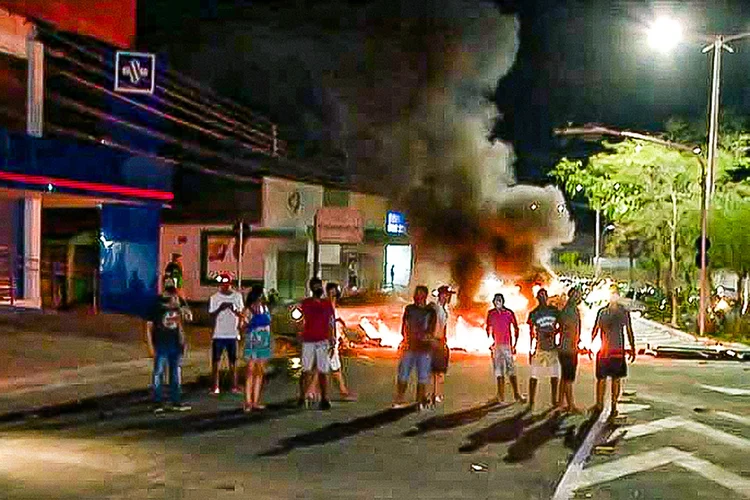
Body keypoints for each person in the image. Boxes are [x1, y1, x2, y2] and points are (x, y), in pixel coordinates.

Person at [146, 279, 192, 413]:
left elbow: (187, 318)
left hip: (175, 342)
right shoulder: (156, 303)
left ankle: (176, 401)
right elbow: (149, 326)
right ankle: (157, 402)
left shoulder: (178, 301)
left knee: (175, 373)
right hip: (161, 342)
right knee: (158, 373)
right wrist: (150, 345)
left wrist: (181, 304)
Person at [306, 282, 357, 402]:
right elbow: (328, 322)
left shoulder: (329, 303)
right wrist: (332, 338)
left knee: (335, 368)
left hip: (329, 339)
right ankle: (311, 391)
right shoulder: (326, 304)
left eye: (334, 293)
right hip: (328, 339)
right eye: (331, 293)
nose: (332, 295)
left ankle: (343, 392)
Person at [591, 285, 636, 418]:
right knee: (611, 379)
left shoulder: (604, 312)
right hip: (614, 351)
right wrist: (632, 348)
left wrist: (590, 344)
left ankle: (604, 405)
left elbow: (595, 330)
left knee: (604, 379)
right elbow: (628, 330)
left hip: (607, 351)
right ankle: (610, 406)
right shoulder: (620, 312)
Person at [393, 285, 436, 410]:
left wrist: (428, 338)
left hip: (424, 349)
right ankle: (399, 398)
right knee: (403, 374)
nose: (417, 296)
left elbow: (431, 329)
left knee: (422, 376)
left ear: (425, 296)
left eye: (420, 294)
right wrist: (406, 339)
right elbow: (405, 325)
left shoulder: (430, 311)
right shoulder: (409, 309)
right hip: (409, 347)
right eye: (416, 294)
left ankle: (419, 401)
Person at [298, 277, 336, 410]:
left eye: (319, 286)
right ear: (311, 288)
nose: (318, 289)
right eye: (315, 286)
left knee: (323, 370)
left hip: (323, 340)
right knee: (306, 370)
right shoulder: (306, 303)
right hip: (309, 340)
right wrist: (300, 336)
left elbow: (331, 322)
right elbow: (301, 321)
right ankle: (302, 396)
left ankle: (324, 398)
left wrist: (332, 339)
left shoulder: (326, 304)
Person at [208, 272, 244, 395]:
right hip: (219, 334)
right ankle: (215, 386)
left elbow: (242, 314)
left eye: (226, 283)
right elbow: (211, 315)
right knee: (216, 361)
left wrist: (234, 309)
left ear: (230, 284)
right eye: (222, 284)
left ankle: (234, 385)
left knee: (233, 361)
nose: (224, 286)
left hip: (232, 333)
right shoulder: (215, 298)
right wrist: (220, 308)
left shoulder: (237, 297)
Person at [486, 293, 525, 403]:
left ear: (503, 301)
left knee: (511, 370)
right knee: (499, 371)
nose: (497, 302)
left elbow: (516, 328)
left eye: (499, 300)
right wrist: (491, 342)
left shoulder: (509, 313)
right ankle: (500, 396)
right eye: (495, 300)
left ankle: (517, 394)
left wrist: (515, 345)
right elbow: (488, 327)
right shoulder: (491, 313)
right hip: (496, 346)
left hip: (507, 345)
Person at [527, 288, 561, 410]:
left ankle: (554, 400)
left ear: (547, 297)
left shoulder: (554, 311)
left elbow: (561, 326)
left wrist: (554, 334)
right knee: (534, 375)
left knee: (554, 375)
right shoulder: (534, 313)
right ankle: (531, 401)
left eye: (544, 295)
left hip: (552, 348)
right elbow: (530, 333)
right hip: (540, 348)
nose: (542, 298)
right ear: (537, 298)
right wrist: (530, 350)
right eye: (540, 296)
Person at [242, 285, 272, 412]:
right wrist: (249, 324)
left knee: (260, 371)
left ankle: (255, 400)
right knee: (250, 371)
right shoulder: (248, 310)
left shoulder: (265, 308)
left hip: (264, 341)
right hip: (252, 341)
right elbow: (242, 326)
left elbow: (269, 324)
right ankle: (248, 401)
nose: (262, 298)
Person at [558, 288, 583, 413]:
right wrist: (575, 344)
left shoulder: (567, 309)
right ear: (572, 295)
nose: (580, 297)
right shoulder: (570, 311)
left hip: (565, 347)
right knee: (568, 378)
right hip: (569, 349)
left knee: (564, 376)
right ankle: (570, 406)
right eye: (578, 295)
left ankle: (560, 402)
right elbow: (570, 328)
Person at [430, 285, 454, 405]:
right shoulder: (434, 308)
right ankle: (433, 394)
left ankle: (437, 393)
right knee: (434, 370)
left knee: (440, 370)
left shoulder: (445, 310)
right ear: (442, 295)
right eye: (447, 295)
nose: (449, 297)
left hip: (441, 342)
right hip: (434, 341)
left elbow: (444, 327)